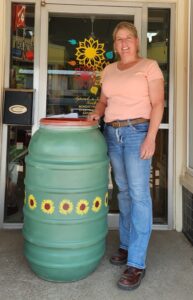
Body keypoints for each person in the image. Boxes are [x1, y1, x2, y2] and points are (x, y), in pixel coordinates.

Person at [88, 21, 164, 290]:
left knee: (139, 193)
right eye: (119, 38)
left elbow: (158, 103)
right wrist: (97, 112)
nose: (124, 43)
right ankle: (125, 245)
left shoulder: (149, 67)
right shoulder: (108, 69)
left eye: (128, 37)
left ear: (136, 41)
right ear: (115, 43)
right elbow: (103, 100)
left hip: (137, 133)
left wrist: (151, 137)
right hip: (113, 133)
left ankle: (137, 262)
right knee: (123, 193)